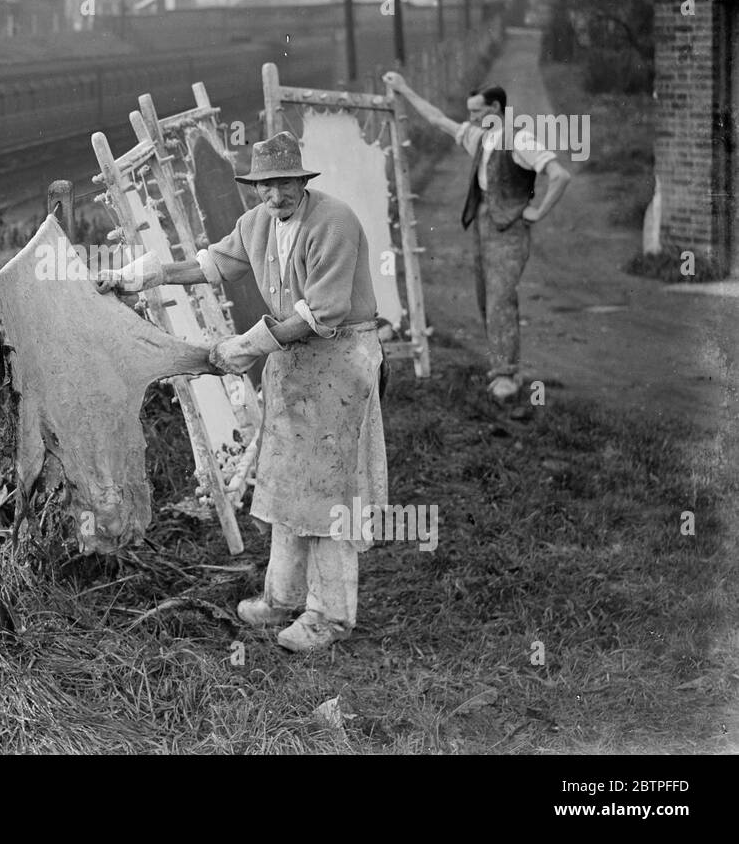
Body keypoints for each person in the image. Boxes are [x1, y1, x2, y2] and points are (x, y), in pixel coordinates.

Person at [95, 131, 385, 654]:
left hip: (341, 362)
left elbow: (324, 312)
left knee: (330, 490)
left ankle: (329, 616)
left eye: (285, 184)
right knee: (286, 481)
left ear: (302, 179)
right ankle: (282, 597)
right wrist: (142, 276)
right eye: (264, 187)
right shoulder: (257, 224)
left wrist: (248, 345)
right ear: (255, 189)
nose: (275, 196)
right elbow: (208, 266)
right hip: (293, 363)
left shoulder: (334, 222)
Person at [382, 73, 571, 403]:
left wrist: (538, 212)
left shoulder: (520, 139)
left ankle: (507, 375)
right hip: (483, 225)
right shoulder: (480, 138)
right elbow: (438, 119)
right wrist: (404, 89)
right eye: (469, 114)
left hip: (510, 231)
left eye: (477, 113)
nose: (471, 119)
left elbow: (560, 175)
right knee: (486, 299)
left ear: (496, 108)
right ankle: (504, 367)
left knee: (500, 299)